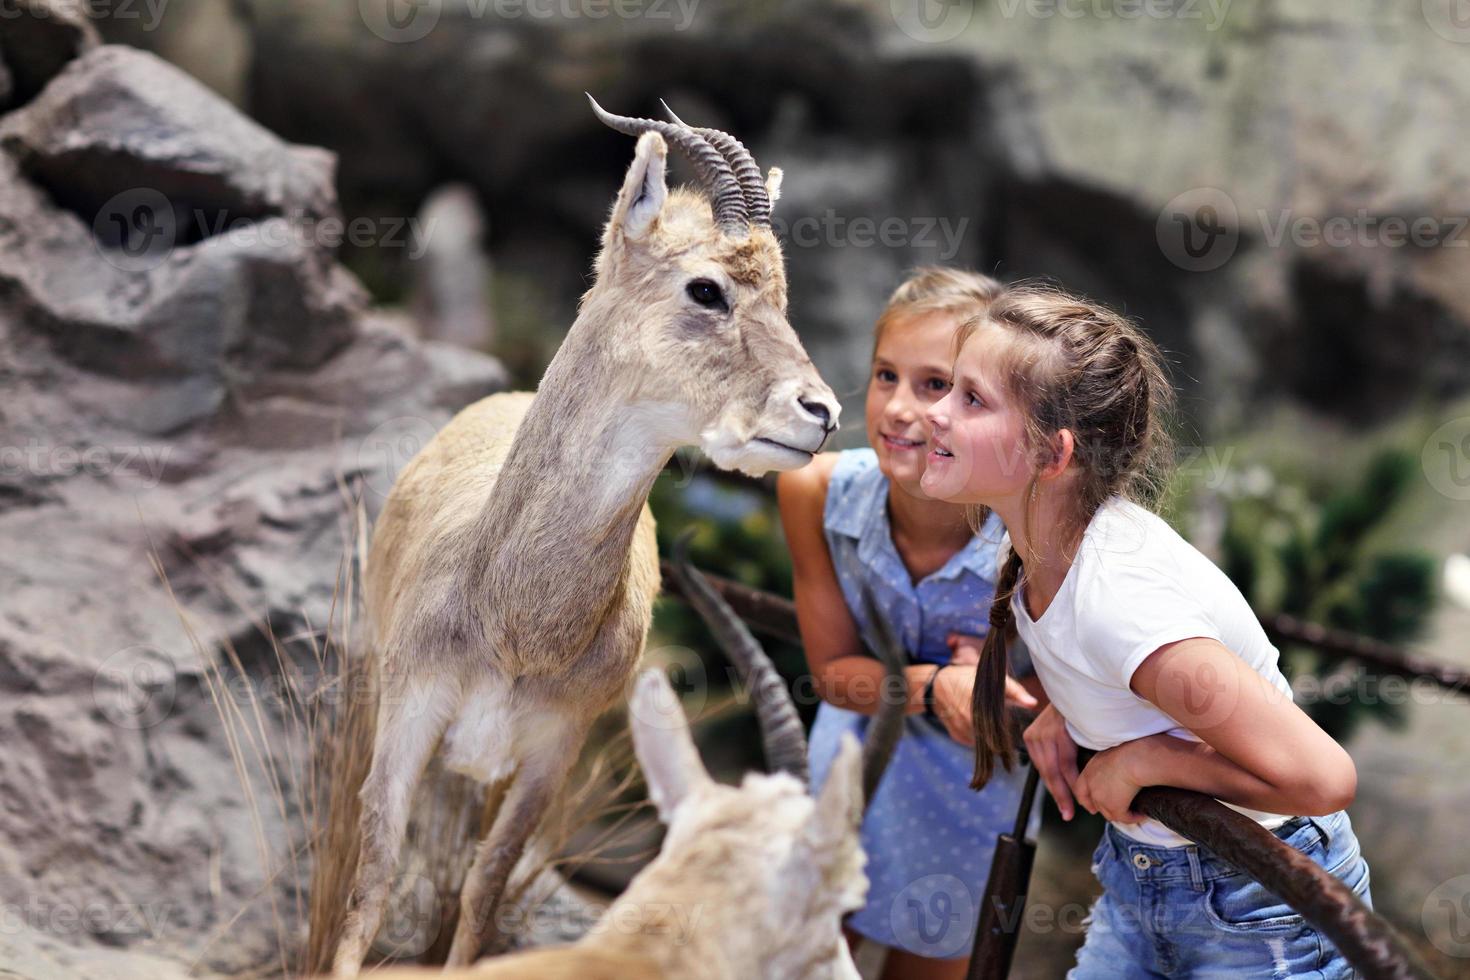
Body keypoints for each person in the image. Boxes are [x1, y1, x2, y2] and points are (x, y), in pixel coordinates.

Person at [921, 284, 1372, 978]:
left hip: (1265, 899)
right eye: (946, 387)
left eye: (971, 399)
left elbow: (1322, 777)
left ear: (1052, 457)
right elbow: (1096, 663)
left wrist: (1149, 762)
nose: (937, 412)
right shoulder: (1042, 542)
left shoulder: (1121, 601)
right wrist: (1065, 706)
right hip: (1150, 873)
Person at [777, 268, 1043, 980]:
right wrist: (943, 685)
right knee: (793, 952)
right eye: (885, 375)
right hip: (852, 767)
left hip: (971, 791)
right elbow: (833, 676)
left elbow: (1067, 703)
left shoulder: (1037, 536)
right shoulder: (818, 492)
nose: (896, 408)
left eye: (935, 386)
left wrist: (1006, 680)